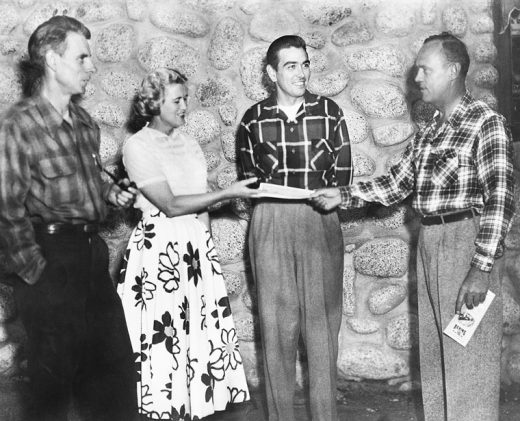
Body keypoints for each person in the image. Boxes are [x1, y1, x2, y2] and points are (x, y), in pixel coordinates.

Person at [311, 32, 514, 421]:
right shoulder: (431, 131)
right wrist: (343, 194)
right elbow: (396, 183)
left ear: (453, 71)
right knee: (438, 356)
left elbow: (500, 199)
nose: (418, 76)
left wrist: (480, 268)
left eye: (426, 68)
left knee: (469, 360)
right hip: (431, 241)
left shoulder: (487, 124)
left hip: (466, 242)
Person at [0, 15, 138, 421]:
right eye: (82, 57)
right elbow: (5, 207)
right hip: (48, 258)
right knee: (53, 389)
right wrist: (33, 270)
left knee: (114, 375)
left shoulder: (84, 124)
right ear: (51, 60)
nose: (90, 66)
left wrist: (112, 194)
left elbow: (89, 193)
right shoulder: (19, 125)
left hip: (90, 256)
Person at [118, 67, 258, 420]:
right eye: (177, 100)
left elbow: (199, 204)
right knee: (165, 335)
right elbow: (171, 204)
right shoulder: (137, 146)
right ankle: (162, 405)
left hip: (194, 250)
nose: (185, 106)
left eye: (186, 99)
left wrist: (207, 254)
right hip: (159, 249)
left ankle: (195, 404)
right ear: (154, 103)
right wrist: (229, 192)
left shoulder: (189, 142)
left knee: (196, 330)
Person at [237, 35, 353, 421]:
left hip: (319, 218)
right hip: (270, 221)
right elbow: (250, 180)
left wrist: (318, 198)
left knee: (321, 329)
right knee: (276, 327)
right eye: (291, 65)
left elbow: (342, 177)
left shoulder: (329, 112)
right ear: (271, 73)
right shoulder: (253, 119)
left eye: (305, 64)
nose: (301, 72)